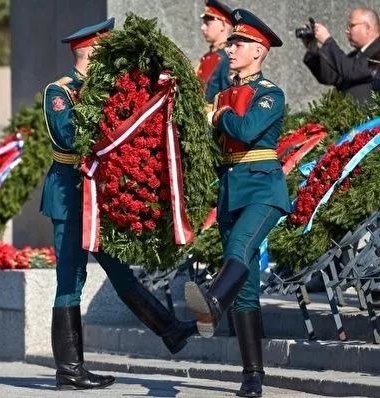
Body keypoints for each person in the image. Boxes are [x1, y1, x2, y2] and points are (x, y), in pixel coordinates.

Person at [41, 18, 198, 390]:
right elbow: (66, 138)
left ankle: (170, 330)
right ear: (92, 53)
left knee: (120, 271)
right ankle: (69, 369)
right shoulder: (60, 92)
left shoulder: (107, 90)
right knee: (70, 281)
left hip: (101, 197)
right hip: (70, 198)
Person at [184, 9, 290, 398]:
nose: (231, 49)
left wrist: (220, 115)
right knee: (244, 291)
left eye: (239, 44)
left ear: (259, 51)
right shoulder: (223, 93)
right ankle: (252, 376)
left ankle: (212, 302)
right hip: (231, 191)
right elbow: (213, 142)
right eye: (230, 43)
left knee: (241, 248)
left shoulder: (269, 94)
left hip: (264, 190)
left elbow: (245, 130)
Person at [302, 8, 380, 104]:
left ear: (367, 27)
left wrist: (327, 41)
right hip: (352, 116)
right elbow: (331, 77)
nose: (347, 31)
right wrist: (312, 48)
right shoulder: (355, 56)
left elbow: (353, 72)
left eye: (351, 26)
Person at [197, 0, 234, 109]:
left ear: (223, 24)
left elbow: (229, 103)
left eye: (207, 23)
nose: (202, 27)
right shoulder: (209, 56)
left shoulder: (229, 58)